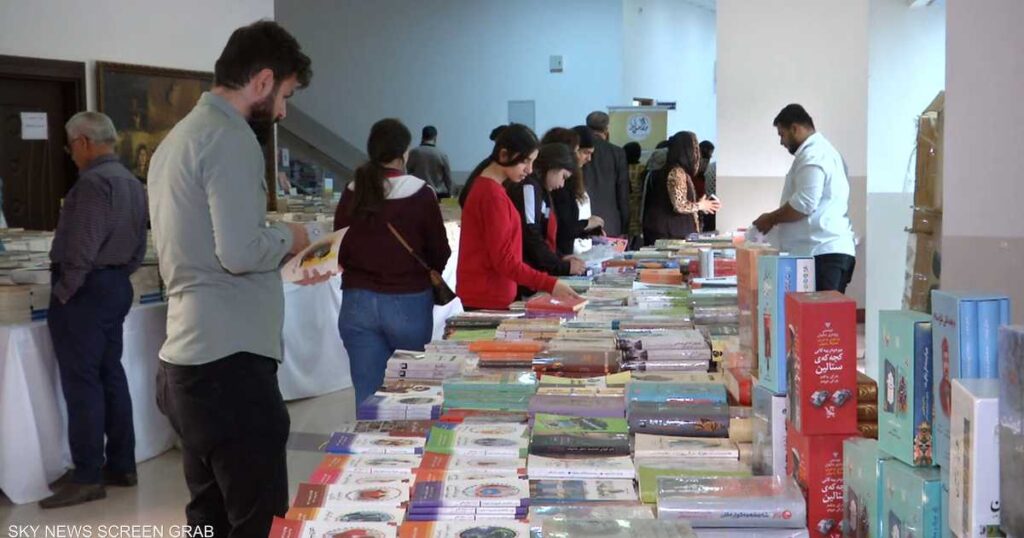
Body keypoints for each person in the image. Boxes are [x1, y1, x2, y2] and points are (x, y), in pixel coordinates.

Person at [147, 21, 313, 536]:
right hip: (230, 367)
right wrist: (292, 237)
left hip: (186, 360)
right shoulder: (231, 137)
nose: (283, 111)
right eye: (285, 95)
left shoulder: (179, 137)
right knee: (257, 519)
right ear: (263, 81)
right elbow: (238, 253)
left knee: (205, 512)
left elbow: (211, 245)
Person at [40, 111, 148, 509]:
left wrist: (66, 292)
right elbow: (139, 246)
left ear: (84, 142)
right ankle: (122, 464)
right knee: (109, 374)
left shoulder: (91, 184)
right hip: (116, 283)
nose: (71, 155)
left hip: (85, 291)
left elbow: (81, 249)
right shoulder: (133, 185)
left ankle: (87, 474)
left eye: (72, 147)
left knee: (82, 381)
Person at [334, 119, 451, 405]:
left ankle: (368, 448)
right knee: (409, 396)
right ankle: (406, 448)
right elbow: (439, 250)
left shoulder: (353, 190)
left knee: (367, 395)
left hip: (356, 301)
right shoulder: (421, 193)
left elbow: (339, 245)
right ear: (404, 153)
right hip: (408, 300)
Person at [456, 124, 581, 310]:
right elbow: (505, 260)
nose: (530, 170)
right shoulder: (491, 195)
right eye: (525, 162)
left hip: (492, 297)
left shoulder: (494, 189)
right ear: (505, 155)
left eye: (532, 162)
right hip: (486, 300)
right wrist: (550, 284)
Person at [754, 104, 856, 293]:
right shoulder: (826, 152)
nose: (781, 142)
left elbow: (804, 203)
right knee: (819, 318)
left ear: (795, 128)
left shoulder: (814, 155)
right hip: (824, 251)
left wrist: (770, 219)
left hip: (823, 252)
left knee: (822, 319)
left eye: (782, 134)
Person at [507, 143, 584, 280]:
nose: (562, 184)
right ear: (553, 167)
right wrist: (561, 265)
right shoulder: (529, 187)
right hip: (525, 272)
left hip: (535, 270)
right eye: (563, 177)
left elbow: (543, 237)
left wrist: (560, 257)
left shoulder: (542, 190)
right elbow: (531, 236)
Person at [643, 131, 720, 244]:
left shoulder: (677, 171)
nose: (697, 154)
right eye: (694, 149)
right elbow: (680, 205)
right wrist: (700, 205)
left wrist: (700, 205)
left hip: (668, 232)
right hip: (669, 234)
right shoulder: (677, 172)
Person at [542, 127, 603, 256]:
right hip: (556, 257)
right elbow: (563, 227)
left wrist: (588, 229)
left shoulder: (567, 181)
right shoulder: (553, 187)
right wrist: (587, 223)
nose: (588, 159)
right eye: (582, 152)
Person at [584, 111, 630, 237]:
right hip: (611, 222)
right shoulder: (617, 152)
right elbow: (622, 192)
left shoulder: (578, 150)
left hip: (583, 220)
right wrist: (625, 226)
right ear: (607, 128)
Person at [406, 125, 453, 198]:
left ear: (422, 136)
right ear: (435, 137)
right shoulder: (441, 154)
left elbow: (407, 172)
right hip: (436, 195)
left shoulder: (414, 153)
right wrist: (450, 193)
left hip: (418, 193)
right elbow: (448, 177)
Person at [623, 141, 644, 241]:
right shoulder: (643, 168)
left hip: (624, 203)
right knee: (636, 233)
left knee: (624, 232)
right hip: (638, 204)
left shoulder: (622, 168)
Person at [698, 140, 717, 232]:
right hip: (701, 209)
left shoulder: (707, 170)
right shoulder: (690, 174)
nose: (706, 160)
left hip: (708, 207)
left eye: (709, 157)